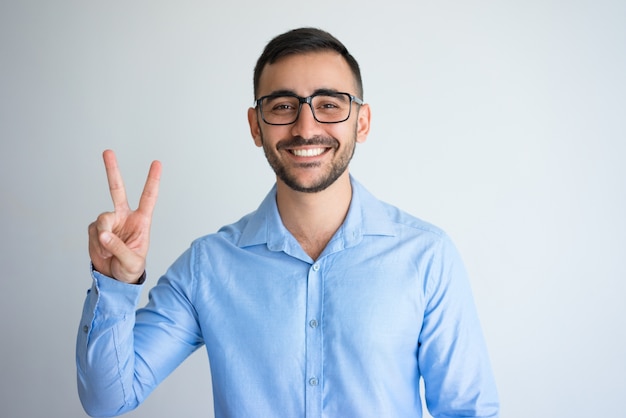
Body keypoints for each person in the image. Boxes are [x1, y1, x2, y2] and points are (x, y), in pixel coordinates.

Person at [76, 27, 499, 418]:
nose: (305, 126)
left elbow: (468, 412)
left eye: (329, 105)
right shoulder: (208, 265)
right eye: (282, 106)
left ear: (362, 122)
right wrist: (115, 286)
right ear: (256, 126)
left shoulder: (426, 255)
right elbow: (108, 399)